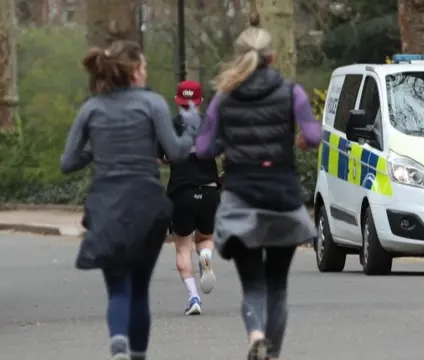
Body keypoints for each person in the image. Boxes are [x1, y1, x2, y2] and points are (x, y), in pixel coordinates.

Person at [59, 40, 201, 360]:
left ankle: (118, 343)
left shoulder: (91, 109)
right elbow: (176, 152)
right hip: (147, 205)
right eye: (145, 67)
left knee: (118, 286)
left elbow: (68, 162)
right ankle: (136, 354)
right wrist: (191, 127)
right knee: (140, 288)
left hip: (106, 206)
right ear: (136, 72)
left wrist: (98, 148)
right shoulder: (153, 105)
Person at [195, 14, 322, 360]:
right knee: (277, 286)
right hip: (282, 196)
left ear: (239, 58)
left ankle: (255, 335)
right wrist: (299, 138)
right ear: (273, 57)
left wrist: (226, 140)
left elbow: (204, 148)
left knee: (252, 285)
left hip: (240, 198)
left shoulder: (223, 98)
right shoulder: (291, 93)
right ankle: (272, 354)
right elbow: (313, 137)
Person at [158, 80, 219, 316]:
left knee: (182, 247)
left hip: (180, 193)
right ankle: (205, 255)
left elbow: (162, 157)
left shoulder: (169, 127)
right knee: (205, 237)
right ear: (200, 101)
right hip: (209, 190)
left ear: (177, 100)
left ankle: (194, 297)